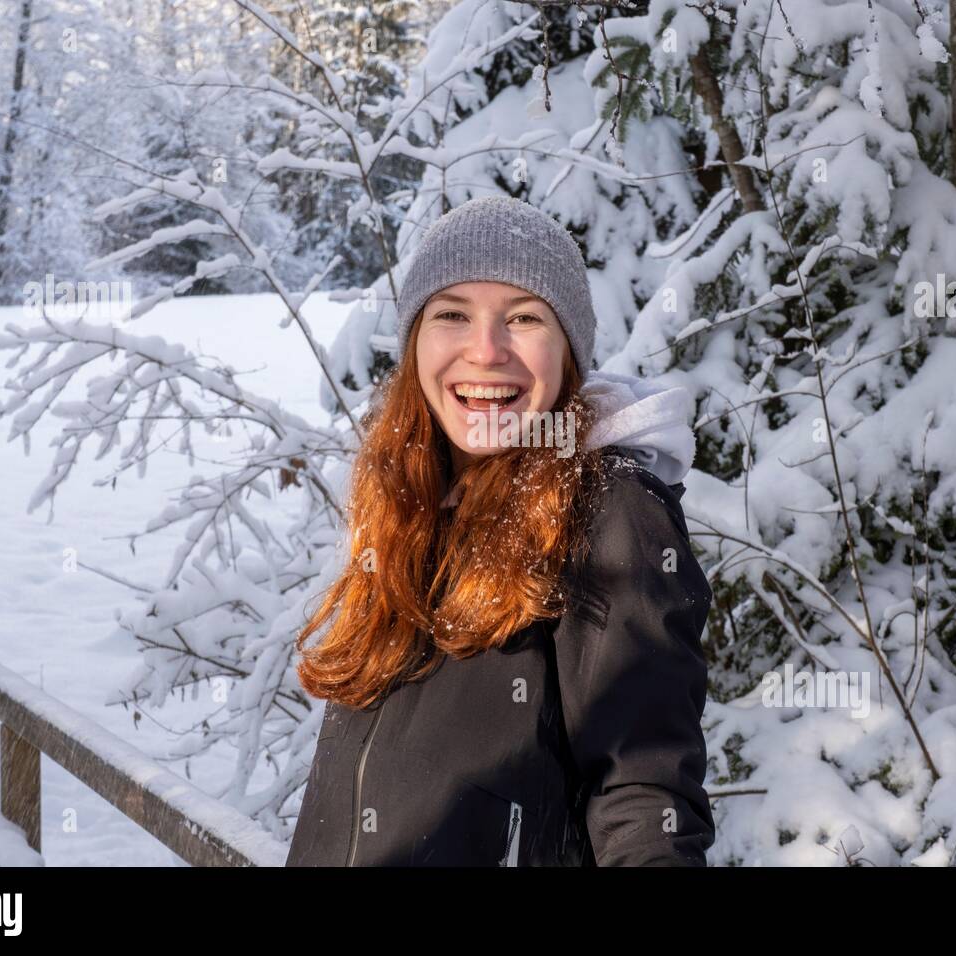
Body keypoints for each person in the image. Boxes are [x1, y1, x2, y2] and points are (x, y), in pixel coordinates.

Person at [285, 194, 715, 866]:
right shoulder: (411, 505)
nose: (485, 351)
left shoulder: (609, 513)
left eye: (523, 318)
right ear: (416, 341)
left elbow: (643, 794)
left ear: (567, 350)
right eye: (452, 315)